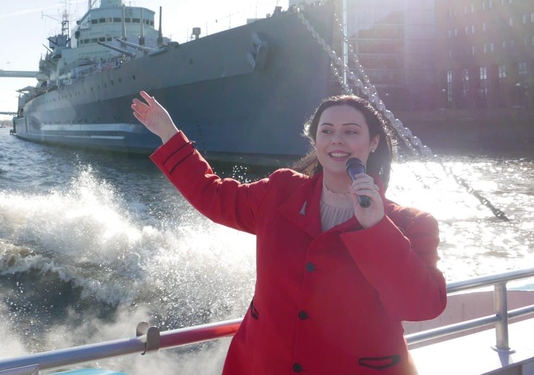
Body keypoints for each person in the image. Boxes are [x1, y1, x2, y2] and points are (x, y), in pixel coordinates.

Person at [131, 91, 447, 375]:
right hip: (264, 365)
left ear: (373, 142)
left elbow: (421, 306)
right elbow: (214, 196)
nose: (337, 140)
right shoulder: (281, 193)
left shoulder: (411, 223)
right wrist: (168, 134)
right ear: (315, 141)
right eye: (327, 131)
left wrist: (377, 229)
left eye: (350, 132)